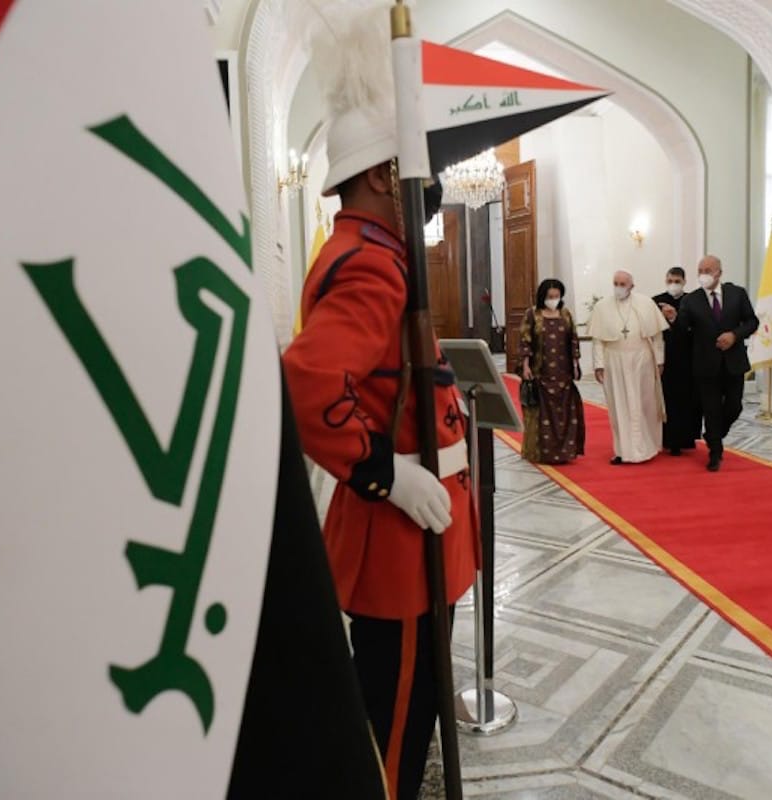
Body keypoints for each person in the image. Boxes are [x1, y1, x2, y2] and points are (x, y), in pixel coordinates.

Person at [281, 11, 476, 798]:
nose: (422, 188)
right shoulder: (372, 264)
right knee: (394, 727)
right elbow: (308, 383)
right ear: (375, 175)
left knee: (419, 708)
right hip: (399, 539)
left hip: (424, 534)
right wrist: (384, 475)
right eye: (410, 170)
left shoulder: (384, 254)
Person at [670, 255, 759, 471]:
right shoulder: (691, 301)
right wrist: (674, 318)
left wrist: (734, 335)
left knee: (734, 406)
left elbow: (752, 321)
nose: (703, 274)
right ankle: (715, 453)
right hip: (705, 365)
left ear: (719, 272)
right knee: (711, 410)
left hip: (733, 362)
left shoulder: (737, 294)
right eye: (700, 270)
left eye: (708, 270)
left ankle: (713, 434)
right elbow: (683, 331)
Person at [587, 270, 668, 464]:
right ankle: (623, 451)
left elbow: (657, 337)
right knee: (619, 406)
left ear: (632, 286)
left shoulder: (646, 303)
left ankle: (647, 448)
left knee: (645, 403)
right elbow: (598, 340)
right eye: (616, 283)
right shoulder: (602, 307)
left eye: (623, 284)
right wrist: (598, 365)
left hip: (642, 360)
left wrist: (659, 360)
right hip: (614, 360)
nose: (619, 287)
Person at [519, 278, 585, 464]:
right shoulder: (532, 314)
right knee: (542, 414)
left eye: (557, 296)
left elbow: (573, 339)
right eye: (550, 296)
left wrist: (575, 364)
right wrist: (525, 366)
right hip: (541, 371)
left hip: (563, 373)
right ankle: (541, 452)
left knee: (564, 414)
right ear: (543, 296)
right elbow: (525, 341)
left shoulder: (565, 314)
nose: (553, 299)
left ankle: (565, 452)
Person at [653, 267, 701, 455]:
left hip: (687, 357)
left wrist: (675, 317)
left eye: (677, 281)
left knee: (686, 400)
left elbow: (696, 328)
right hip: (664, 357)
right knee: (666, 399)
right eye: (670, 280)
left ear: (684, 281)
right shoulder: (656, 301)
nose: (673, 284)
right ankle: (667, 440)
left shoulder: (692, 301)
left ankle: (685, 439)